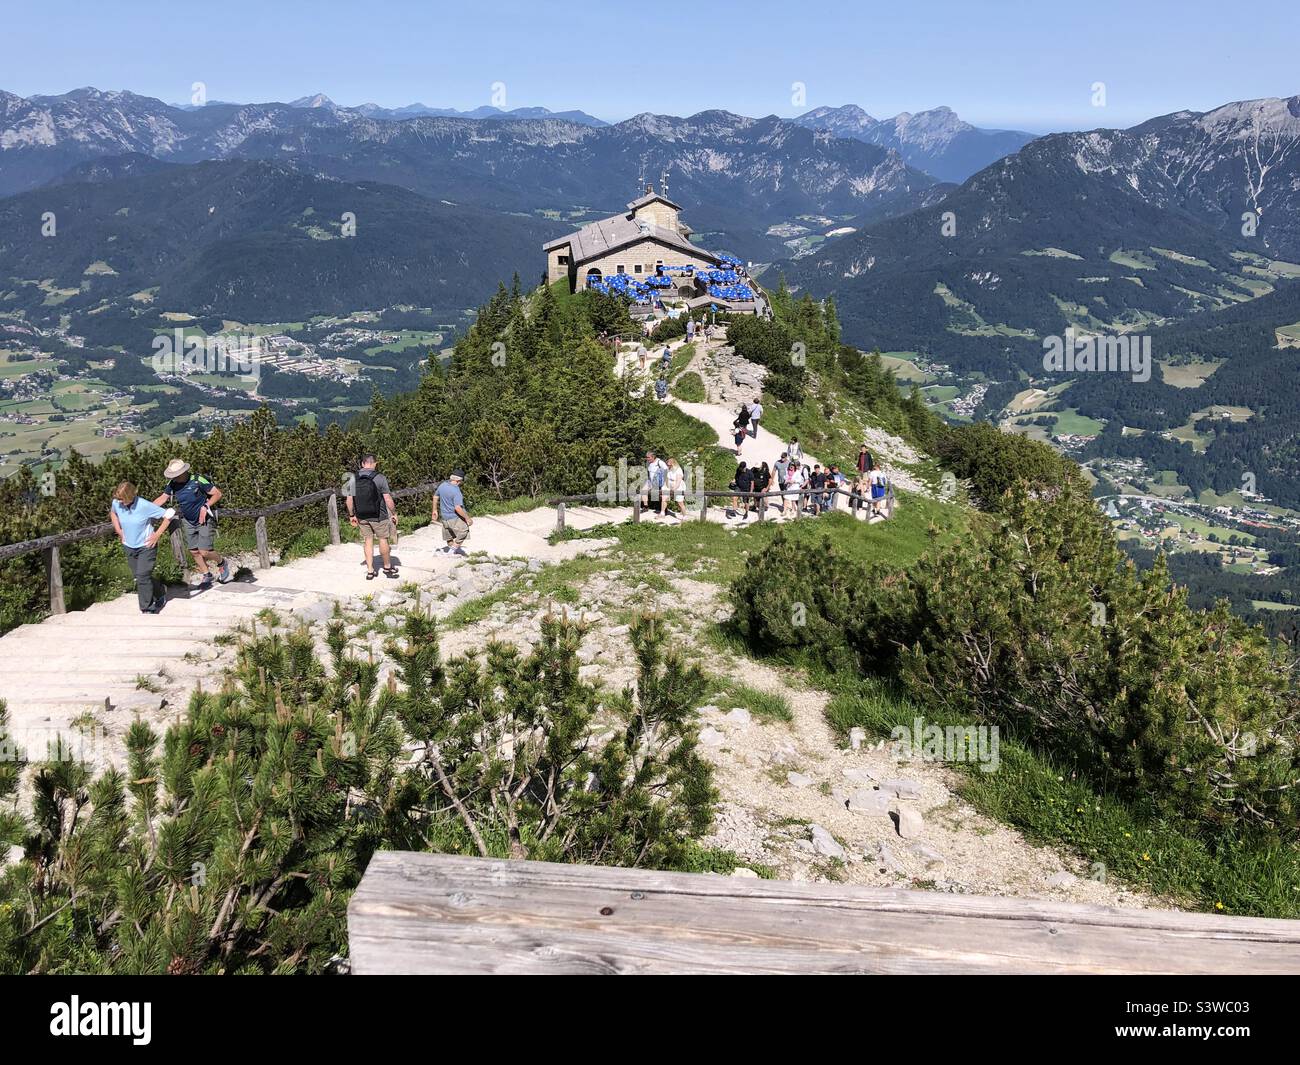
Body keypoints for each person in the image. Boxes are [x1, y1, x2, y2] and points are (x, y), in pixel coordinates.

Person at [156, 459, 228, 589]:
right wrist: (146, 508)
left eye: (176, 475)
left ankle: (222, 563)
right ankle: (207, 575)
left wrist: (206, 506)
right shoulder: (172, 483)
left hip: (205, 518)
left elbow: (217, 494)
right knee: (194, 551)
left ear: (184, 472)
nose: (175, 478)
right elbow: (163, 498)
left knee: (204, 551)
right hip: (188, 520)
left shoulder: (198, 479)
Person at [110, 481, 172, 613]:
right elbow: (113, 514)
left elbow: (168, 516)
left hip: (146, 546)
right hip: (129, 545)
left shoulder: (144, 505)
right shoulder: (116, 503)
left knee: (142, 576)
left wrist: (157, 534)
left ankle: (147, 608)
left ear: (130, 496)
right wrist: (119, 530)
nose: (119, 502)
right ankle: (160, 590)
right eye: (118, 499)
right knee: (140, 576)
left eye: (122, 499)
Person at [347, 454, 399, 580]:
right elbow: (387, 498)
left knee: (368, 541)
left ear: (363, 464)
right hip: (379, 515)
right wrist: (394, 513)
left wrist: (351, 515)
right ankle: (387, 567)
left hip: (361, 515)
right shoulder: (380, 477)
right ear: (374, 463)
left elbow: (349, 500)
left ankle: (370, 570)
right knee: (382, 539)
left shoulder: (352, 478)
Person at [434, 469, 473, 554]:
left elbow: (435, 497)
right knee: (464, 531)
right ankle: (451, 552)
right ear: (459, 480)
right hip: (454, 517)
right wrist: (467, 518)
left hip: (444, 517)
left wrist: (434, 510)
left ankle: (452, 549)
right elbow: (458, 508)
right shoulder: (456, 491)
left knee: (449, 535)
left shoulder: (442, 485)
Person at [642, 451, 668, 516]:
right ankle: (646, 506)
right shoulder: (648, 463)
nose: (647, 458)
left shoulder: (660, 462)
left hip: (659, 482)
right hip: (650, 481)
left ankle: (664, 509)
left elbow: (666, 471)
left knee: (661, 495)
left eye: (648, 457)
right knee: (643, 491)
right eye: (646, 457)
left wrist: (664, 482)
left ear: (653, 457)